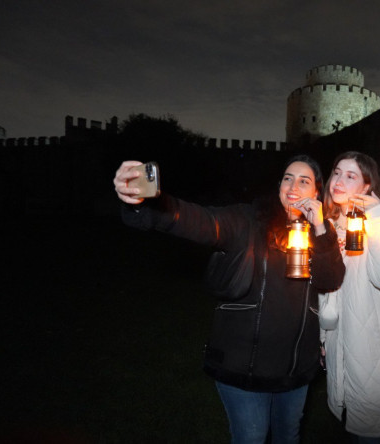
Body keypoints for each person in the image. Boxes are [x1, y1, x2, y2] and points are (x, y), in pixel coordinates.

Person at [113, 155, 345, 444]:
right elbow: (201, 221)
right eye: (287, 178)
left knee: (288, 436)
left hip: (294, 371)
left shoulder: (320, 234)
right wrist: (147, 204)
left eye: (304, 180)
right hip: (244, 368)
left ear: (316, 193)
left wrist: (321, 229)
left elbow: (331, 280)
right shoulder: (250, 220)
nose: (293, 186)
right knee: (252, 438)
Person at [318, 151, 380, 442]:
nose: (338, 180)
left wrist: (377, 216)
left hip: (378, 351)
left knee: (373, 433)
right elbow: (329, 292)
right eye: (336, 172)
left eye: (350, 176)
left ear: (366, 186)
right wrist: (324, 337)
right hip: (344, 348)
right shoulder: (333, 225)